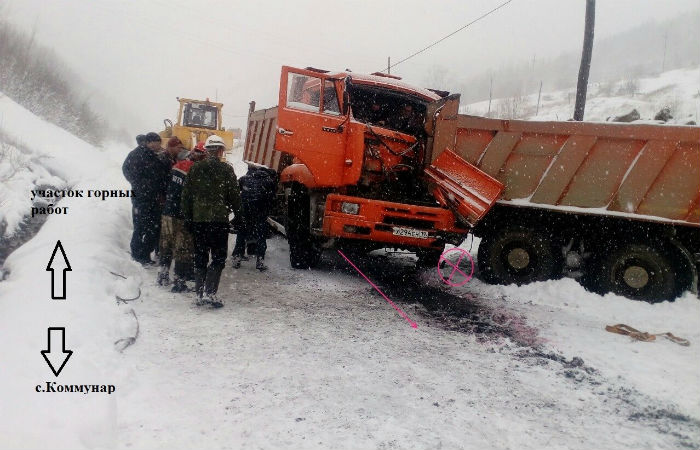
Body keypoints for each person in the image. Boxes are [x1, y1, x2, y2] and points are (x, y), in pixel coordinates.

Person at [181, 135, 241, 307]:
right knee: (218, 257)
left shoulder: (195, 169)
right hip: (218, 222)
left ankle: (199, 295)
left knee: (200, 256)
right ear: (221, 151)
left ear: (207, 150)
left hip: (199, 221)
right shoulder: (226, 170)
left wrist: (188, 218)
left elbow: (186, 197)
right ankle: (210, 293)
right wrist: (239, 216)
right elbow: (235, 197)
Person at [157, 142, 206, 291]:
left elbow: (167, 186)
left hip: (168, 212)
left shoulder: (177, 165)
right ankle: (179, 282)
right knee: (183, 248)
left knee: (166, 244)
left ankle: (163, 275)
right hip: (183, 214)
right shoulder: (197, 171)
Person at [122, 132, 170, 265]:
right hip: (142, 197)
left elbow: (161, 173)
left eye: (160, 143)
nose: (159, 145)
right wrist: (141, 185)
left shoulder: (154, 155)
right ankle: (138, 255)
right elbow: (127, 170)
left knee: (152, 227)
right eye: (157, 143)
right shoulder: (137, 154)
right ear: (149, 142)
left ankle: (145, 254)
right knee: (141, 226)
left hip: (153, 197)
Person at [231, 166, 276, 271]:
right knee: (261, 235)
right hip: (260, 210)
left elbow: (235, 191)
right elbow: (272, 198)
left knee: (242, 232)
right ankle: (260, 261)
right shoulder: (268, 181)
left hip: (246, 209)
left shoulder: (245, 178)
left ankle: (237, 257)